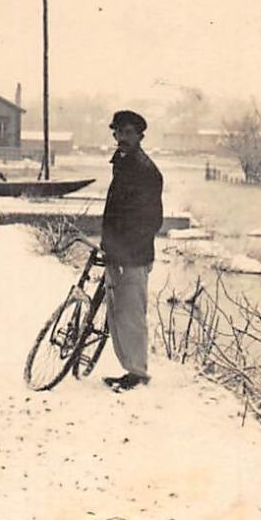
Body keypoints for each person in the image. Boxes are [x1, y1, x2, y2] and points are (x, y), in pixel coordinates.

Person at [100, 110, 164, 392]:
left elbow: (151, 220)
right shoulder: (123, 163)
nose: (121, 138)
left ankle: (138, 373)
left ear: (139, 136)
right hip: (117, 253)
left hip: (133, 257)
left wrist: (126, 252)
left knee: (132, 316)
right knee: (117, 315)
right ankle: (129, 371)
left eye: (127, 132)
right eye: (118, 132)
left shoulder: (145, 171)